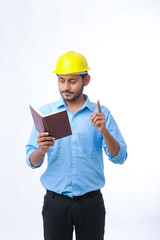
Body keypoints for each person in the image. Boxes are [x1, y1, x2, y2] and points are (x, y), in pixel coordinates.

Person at [26, 51, 127, 240]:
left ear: (86, 80)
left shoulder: (100, 114)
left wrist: (104, 131)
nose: (66, 87)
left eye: (72, 81)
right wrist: (41, 150)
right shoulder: (46, 113)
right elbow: (32, 161)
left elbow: (120, 157)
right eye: (61, 80)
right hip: (55, 203)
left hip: (91, 203)